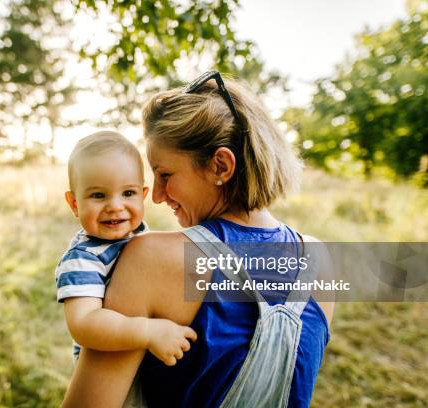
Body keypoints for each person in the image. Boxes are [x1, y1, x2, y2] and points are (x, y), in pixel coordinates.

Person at [61, 72, 335, 408]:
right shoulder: (318, 260)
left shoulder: (151, 259)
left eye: (165, 175)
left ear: (221, 165)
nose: (157, 197)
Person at [56, 130, 197, 365]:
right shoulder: (83, 259)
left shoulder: (141, 235)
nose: (115, 206)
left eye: (128, 193)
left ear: (142, 195)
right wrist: (148, 331)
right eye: (99, 195)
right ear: (74, 204)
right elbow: (83, 323)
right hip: (108, 364)